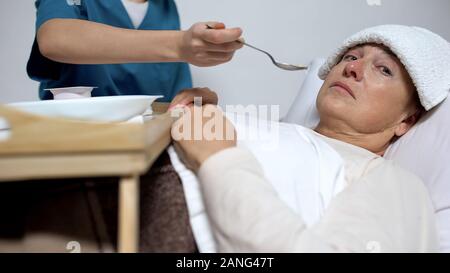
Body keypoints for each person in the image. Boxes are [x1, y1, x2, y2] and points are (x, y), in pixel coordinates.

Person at [170, 25, 450, 252]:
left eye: (384, 69)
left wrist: (218, 158)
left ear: (406, 121)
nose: (352, 68)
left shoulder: (393, 183)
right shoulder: (284, 130)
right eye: (350, 57)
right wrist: (204, 112)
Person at [27, 0, 243, 101]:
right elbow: (55, 38)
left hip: (147, 146)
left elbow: (170, 99)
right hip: (77, 141)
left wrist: (196, 101)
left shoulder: (165, 7)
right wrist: (179, 44)